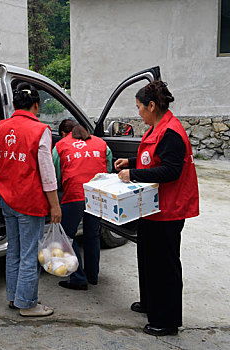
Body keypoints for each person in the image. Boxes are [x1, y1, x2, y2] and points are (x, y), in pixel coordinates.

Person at [115, 80, 199, 336]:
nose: (138, 112)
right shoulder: (156, 127)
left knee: (164, 265)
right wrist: (129, 161)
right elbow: (152, 157)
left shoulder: (171, 131)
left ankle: (167, 320)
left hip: (169, 209)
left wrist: (134, 175)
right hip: (152, 207)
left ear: (152, 105)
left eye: (139, 107)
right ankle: (151, 303)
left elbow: (172, 170)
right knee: (148, 258)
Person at [0, 82, 61, 317]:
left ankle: (14, 297)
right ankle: (28, 304)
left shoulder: (1, 127)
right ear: (36, 105)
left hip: (6, 199)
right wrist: (55, 205)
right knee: (30, 253)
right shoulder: (39, 130)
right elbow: (47, 172)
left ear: (14, 104)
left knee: (14, 251)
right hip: (29, 200)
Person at [52, 119, 112, 290]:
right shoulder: (101, 143)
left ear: (65, 134)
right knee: (92, 234)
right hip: (96, 194)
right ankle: (92, 275)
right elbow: (107, 168)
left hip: (74, 195)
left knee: (66, 235)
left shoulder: (61, 145)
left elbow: (56, 174)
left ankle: (78, 278)